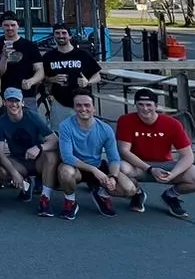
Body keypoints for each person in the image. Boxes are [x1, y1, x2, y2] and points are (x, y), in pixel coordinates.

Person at [116, 88, 195, 219]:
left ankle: (171, 195)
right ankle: (137, 193)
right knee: (121, 168)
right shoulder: (126, 120)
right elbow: (124, 151)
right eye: (140, 105)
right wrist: (150, 169)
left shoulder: (172, 124)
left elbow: (188, 156)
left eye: (149, 105)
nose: (144, 109)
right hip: (139, 166)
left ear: (156, 106)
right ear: (135, 105)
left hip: (165, 165)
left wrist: (173, 174)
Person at [56, 91, 136, 220]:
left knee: (129, 189)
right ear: (74, 107)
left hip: (98, 167)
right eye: (79, 105)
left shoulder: (105, 129)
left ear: (94, 107)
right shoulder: (65, 126)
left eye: (87, 105)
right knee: (65, 171)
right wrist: (93, 170)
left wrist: (113, 177)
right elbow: (67, 157)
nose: (83, 109)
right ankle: (70, 201)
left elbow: (114, 159)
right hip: (77, 168)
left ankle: (101, 193)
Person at [0, 87, 60, 213]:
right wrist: (14, 173)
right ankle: (26, 183)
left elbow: (55, 140)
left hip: (38, 159)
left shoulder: (33, 117)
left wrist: (39, 147)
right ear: (5, 102)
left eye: (17, 101)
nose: (14, 104)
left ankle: (45, 198)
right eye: (10, 101)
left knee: (51, 156)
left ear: (22, 102)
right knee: (1, 171)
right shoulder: (0, 123)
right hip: (19, 161)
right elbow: (0, 153)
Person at [41, 24, 102, 123]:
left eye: (64, 33)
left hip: (81, 101)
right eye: (57, 33)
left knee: (83, 130)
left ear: (70, 36)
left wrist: (88, 82)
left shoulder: (82, 55)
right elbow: (42, 78)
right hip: (59, 101)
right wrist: (52, 79)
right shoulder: (49, 57)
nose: (61, 36)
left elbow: (97, 76)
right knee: (59, 132)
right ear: (53, 36)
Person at [0, 15, 44, 107]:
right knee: (5, 121)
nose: (10, 28)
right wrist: (4, 57)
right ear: (2, 26)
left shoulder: (29, 45)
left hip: (26, 95)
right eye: (6, 25)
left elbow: (40, 70)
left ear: (18, 26)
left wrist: (31, 81)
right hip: (4, 95)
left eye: (13, 25)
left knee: (30, 120)